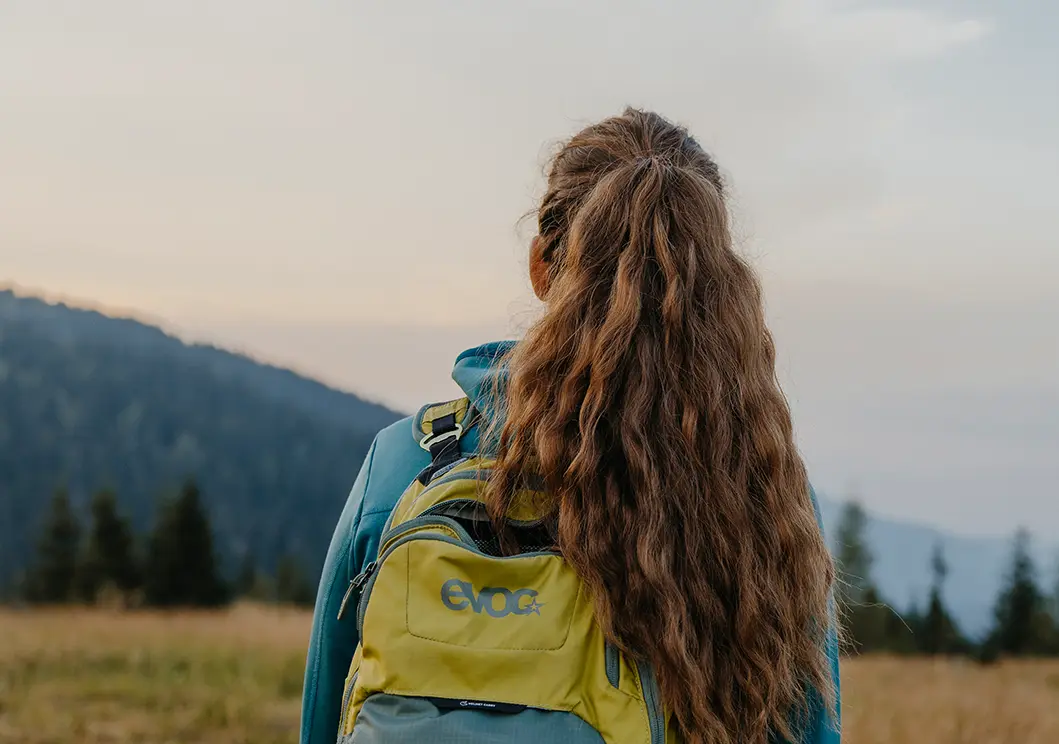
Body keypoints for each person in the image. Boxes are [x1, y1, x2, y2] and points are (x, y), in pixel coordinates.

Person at [299, 108, 841, 744]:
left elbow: (323, 720)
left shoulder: (402, 465)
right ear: (716, 287)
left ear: (540, 267)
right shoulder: (752, 489)